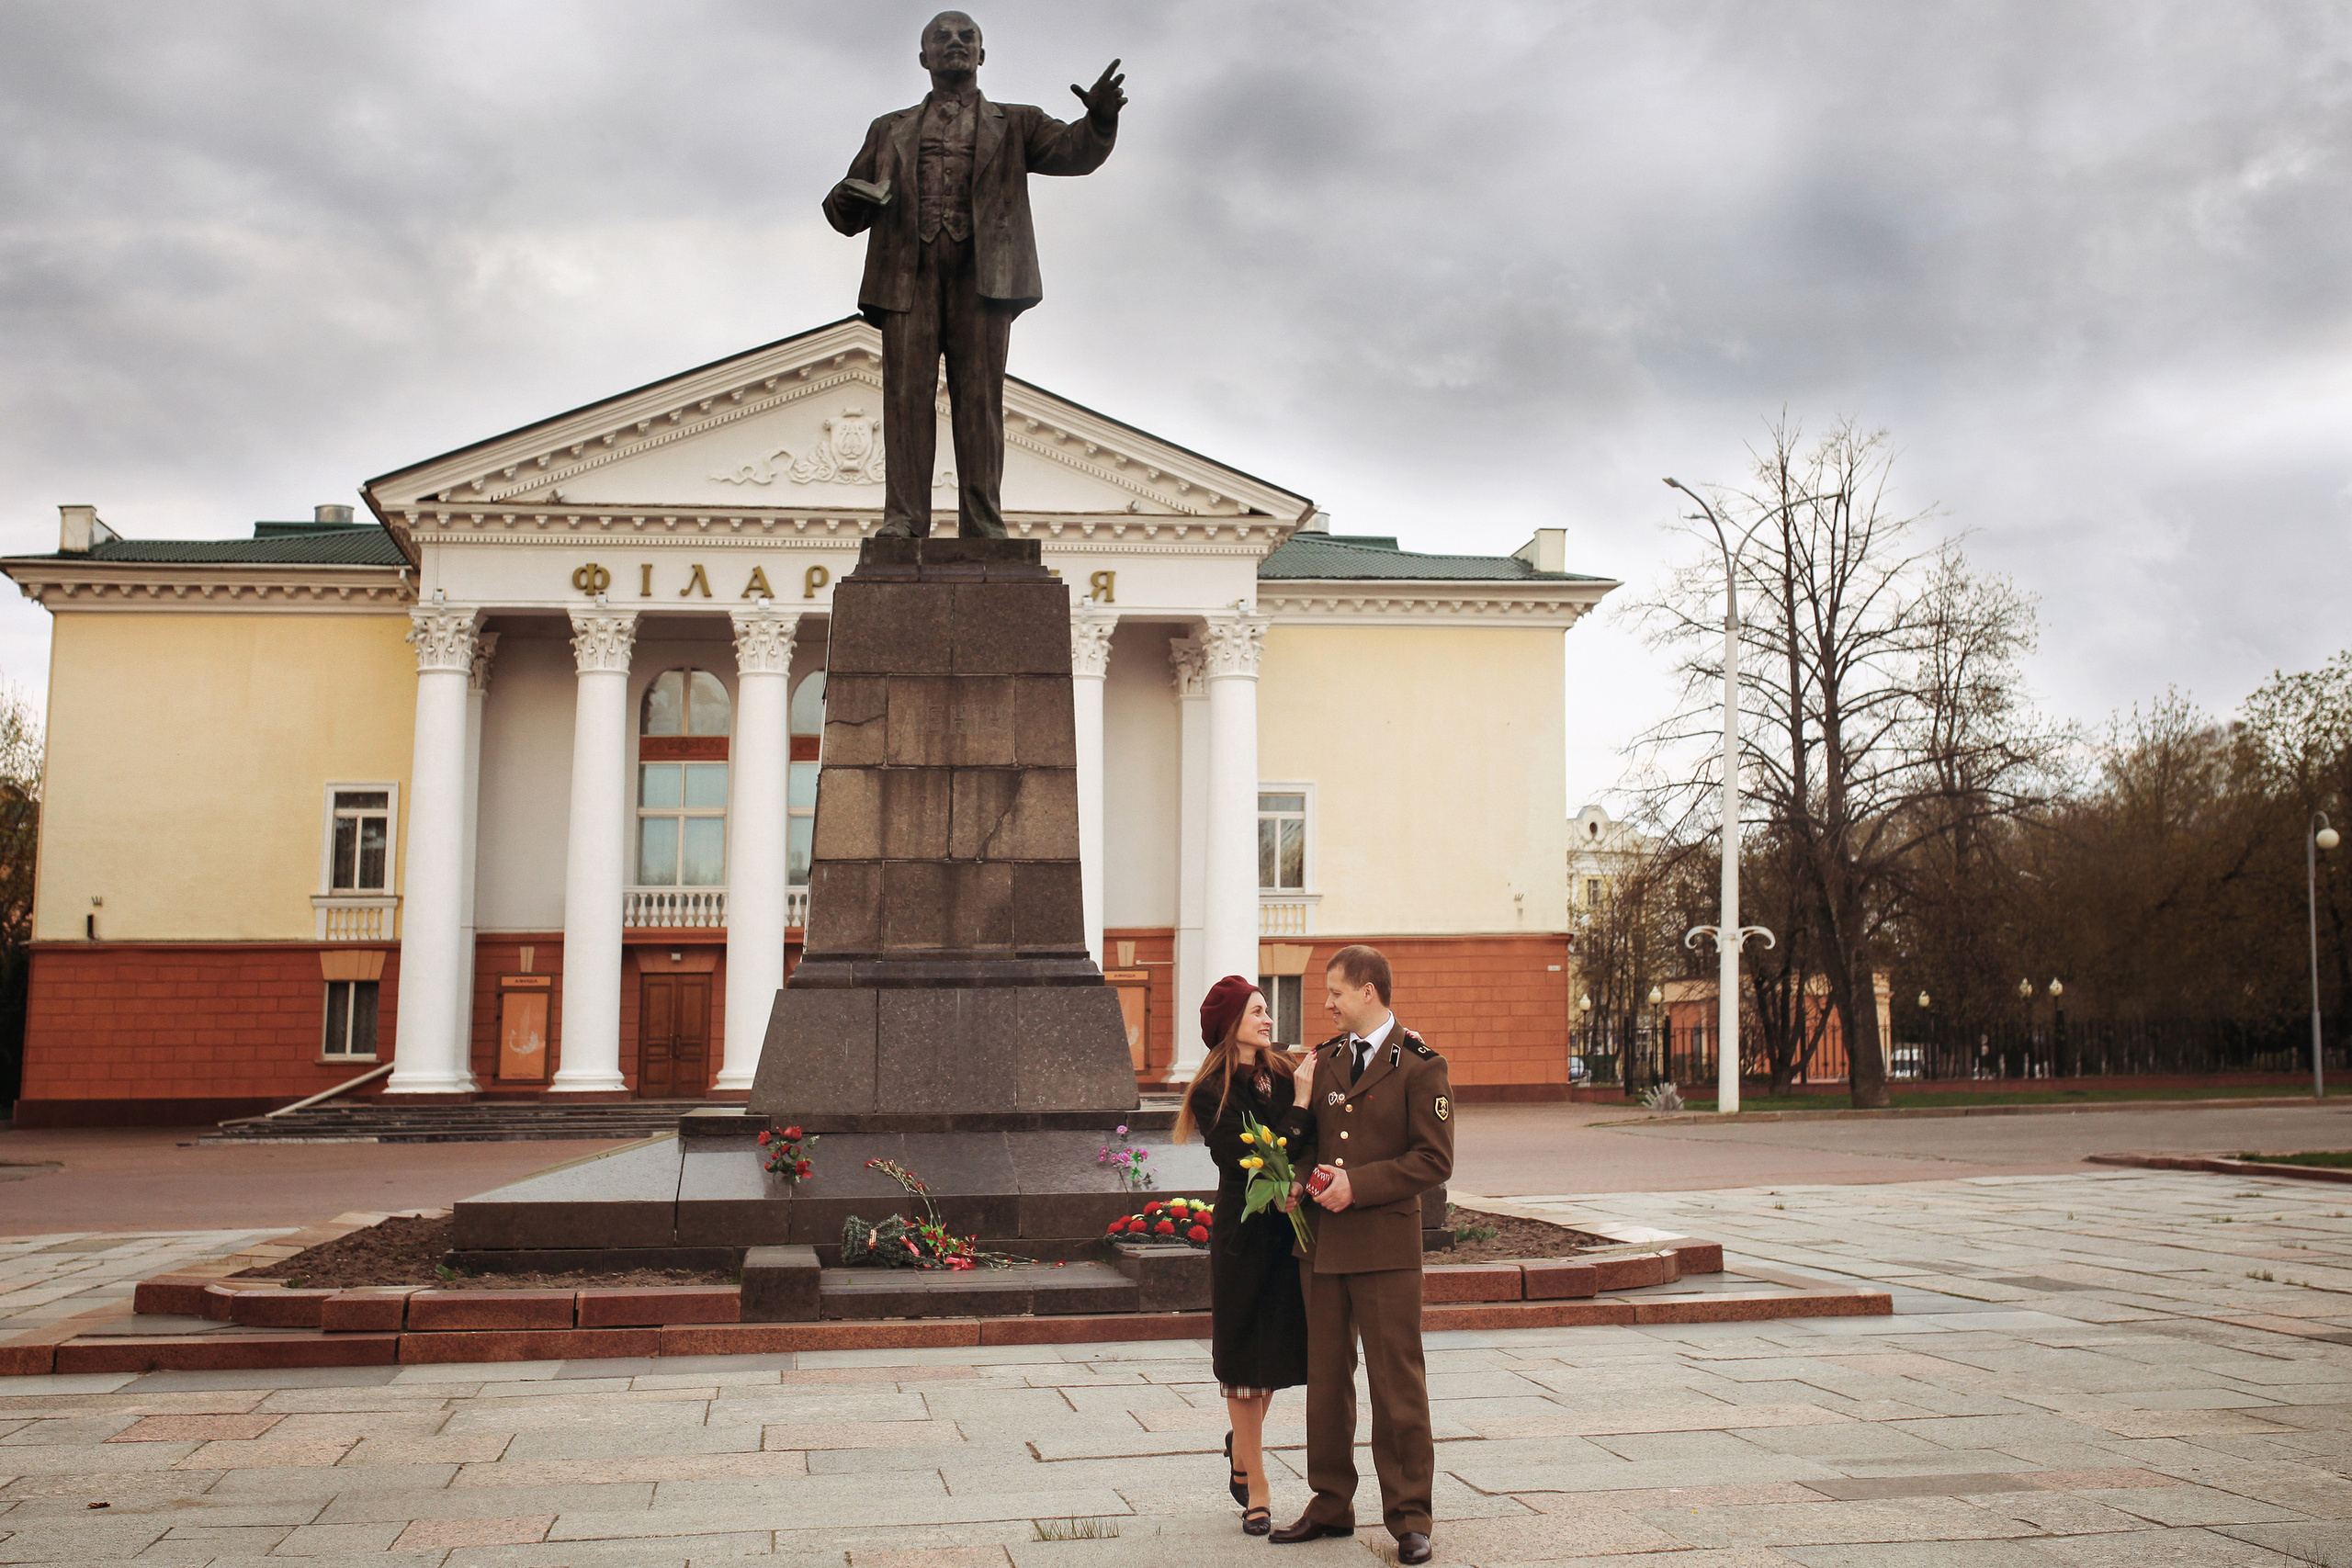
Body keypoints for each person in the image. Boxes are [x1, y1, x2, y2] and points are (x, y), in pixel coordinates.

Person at [821, 11, 1125, 539]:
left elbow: (1076, 152)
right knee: (905, 400)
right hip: (906, 277)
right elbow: (848, 211)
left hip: (984, 277)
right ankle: (904, 520)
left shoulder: (1017, 122)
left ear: (982, 55)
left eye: (967, 38)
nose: (955, 44)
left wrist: (1100, 122)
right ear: (924, 59)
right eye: (943, 38)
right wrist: (845, 196)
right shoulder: (888, 129)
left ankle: (983, 523)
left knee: (980, 399)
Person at [1270, 945, 1453, 1565]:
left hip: (1384, 1247)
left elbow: (1434, 1159)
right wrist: (1296, 1176)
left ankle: (1410, 1516)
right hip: (1319, 1246)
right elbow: (1313, 1141)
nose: (1326, 1003)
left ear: (1369, 991)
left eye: (1336, 993)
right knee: (1325, 1383)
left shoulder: (1420, 1065)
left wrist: (1359, 1184)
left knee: (1395, 1383)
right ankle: (1330, 1502)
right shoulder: (1326, 1060)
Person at [1174, 975, 1312, 1537]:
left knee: (1271, 1357)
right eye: (1258, 1010)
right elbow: (1253, 1154)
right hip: (1242, 1237)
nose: (1269, 1019)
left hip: (1286, 1239)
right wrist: (1300, 1107)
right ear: (1233, 1023)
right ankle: (1258, 1488)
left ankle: (1243, 1450)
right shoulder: (1212, 1092)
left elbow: (1306, 1140)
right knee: (1240, 1357)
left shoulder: (1282, 1070)